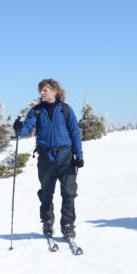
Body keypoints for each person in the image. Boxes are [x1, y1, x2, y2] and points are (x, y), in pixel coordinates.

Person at [13, 78, 84, 239]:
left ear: (55, 91)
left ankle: (67, 225)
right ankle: (47, 223)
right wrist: (18, 129)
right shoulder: (36, 111)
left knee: (68, 193)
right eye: (41, 90)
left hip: (66, 156)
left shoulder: (65, 110)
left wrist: (79, 155)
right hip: (45, 157)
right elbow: (26, 130)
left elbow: (75, 133)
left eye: (45, 89)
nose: (42, 92)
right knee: (46, 193)